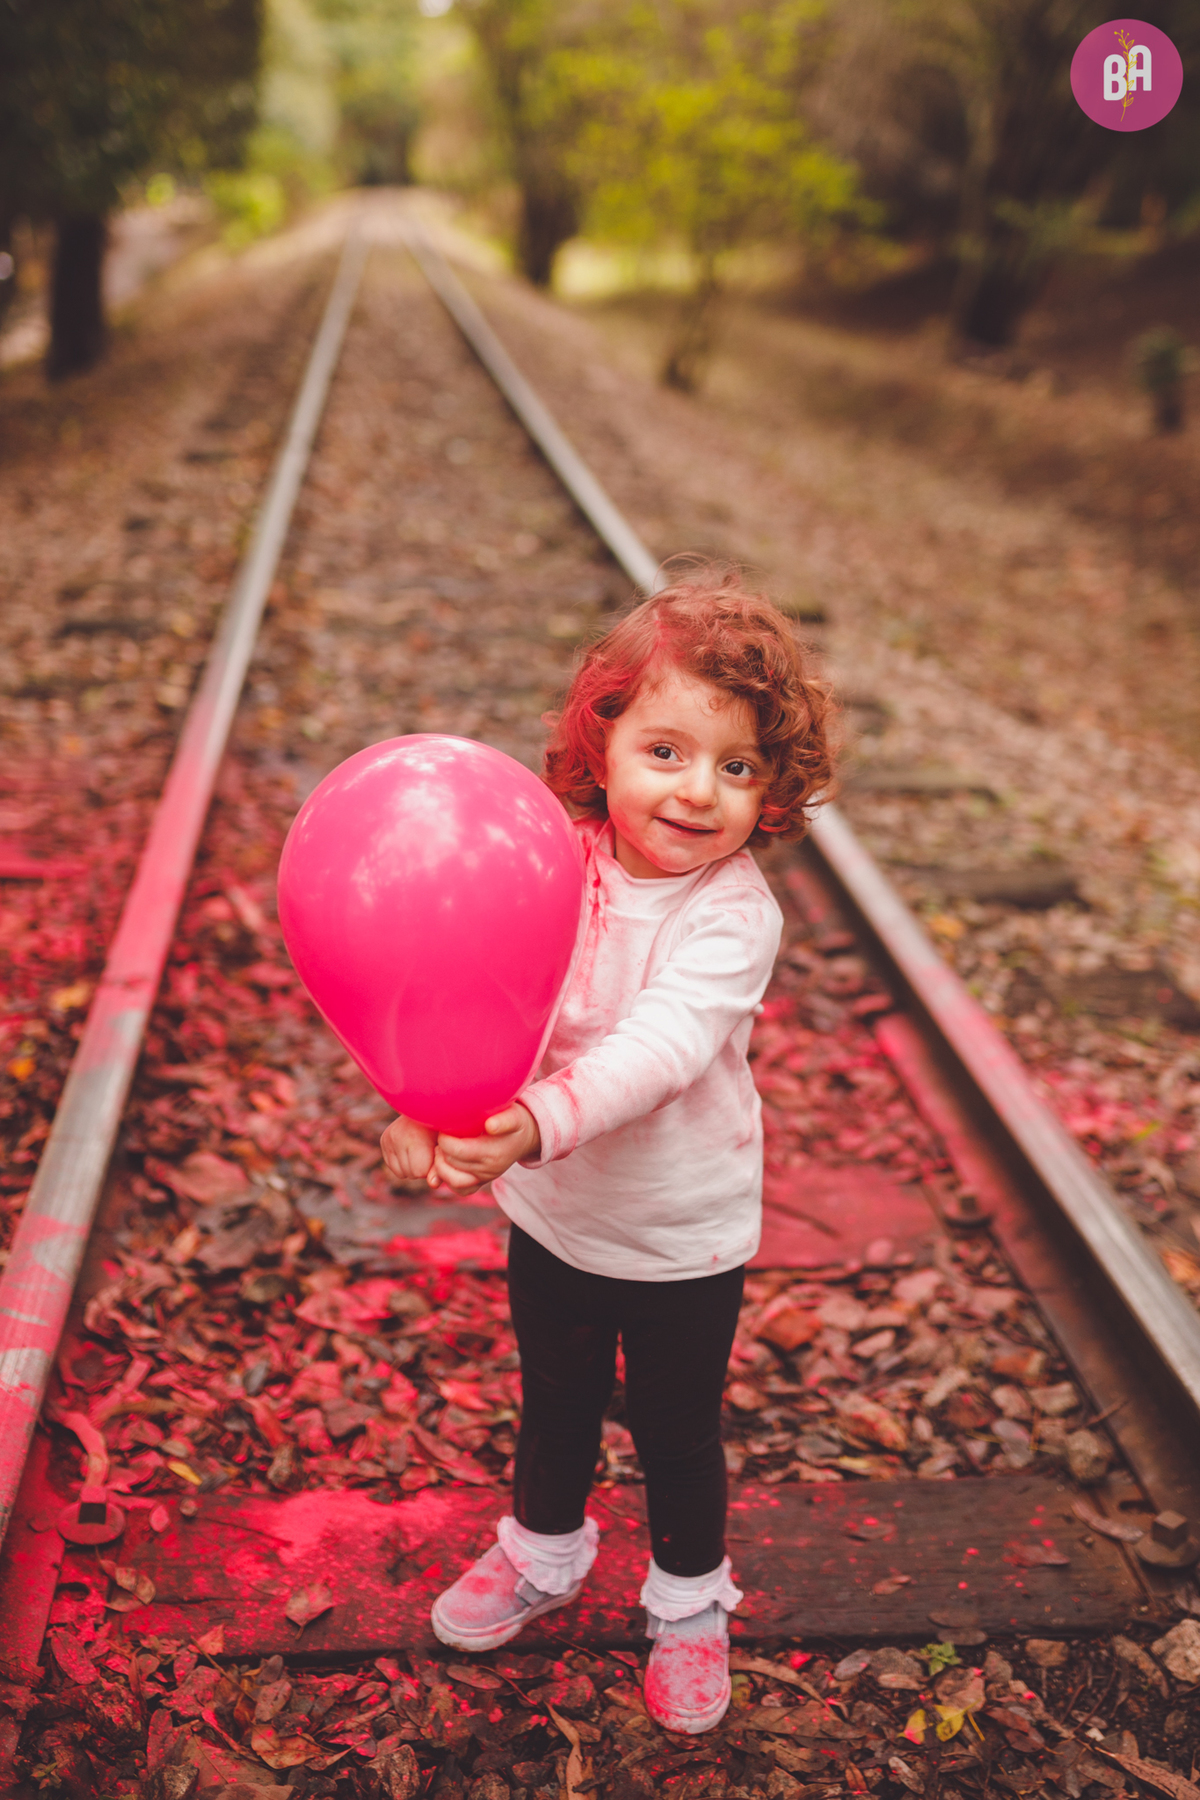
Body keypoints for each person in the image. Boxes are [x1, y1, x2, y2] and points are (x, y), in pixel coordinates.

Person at [380, 564, 833, 1734]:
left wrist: (528, 1124)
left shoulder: (734, 915)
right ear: (605, 737)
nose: (698, 793)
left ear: (772, 788)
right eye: (668, 752)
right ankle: (544, 1552)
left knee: (678, 1430)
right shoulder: (558, 857)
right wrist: (427, 1100)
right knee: (558, 1403)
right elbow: (471, 978)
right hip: (561, 1216)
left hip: (684, 1233)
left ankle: (688, 1602)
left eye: (738, 768)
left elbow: (661, 1047)